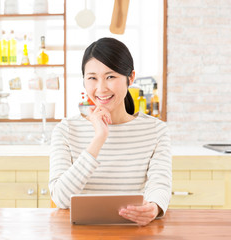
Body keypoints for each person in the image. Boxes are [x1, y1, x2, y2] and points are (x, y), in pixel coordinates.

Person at [48, 37, 172, 226]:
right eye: (92, 78)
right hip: (81, 234)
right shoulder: (66, 130)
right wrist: (99, 138)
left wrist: (153, 207)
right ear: (83, 80)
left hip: (135, 232)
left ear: (130, 77)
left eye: (110, 77)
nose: (101, 88)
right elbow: (61, 199)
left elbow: (159, 186)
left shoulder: (156, 130)